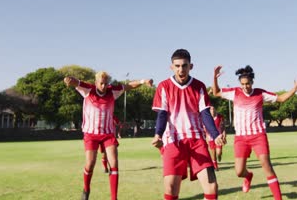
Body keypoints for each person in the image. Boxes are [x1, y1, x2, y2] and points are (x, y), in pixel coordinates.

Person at [212, 65, 297, 200]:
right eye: (243, 84)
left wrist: (294, 89)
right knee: (239, 172)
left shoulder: (260, 94)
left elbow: (281, 99)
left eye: (248, 83)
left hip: (258, 136)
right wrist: (214, 78)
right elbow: (216, 92)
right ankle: (248, 176)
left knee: (267, 166)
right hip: (241, 138)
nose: (245, 87)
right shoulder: (235, 93)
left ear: (252, 82)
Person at [64, 71, 153, 200]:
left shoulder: (112, 91)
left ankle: (114, 198)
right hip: (91, 134)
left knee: (114, 163)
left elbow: (128, 86)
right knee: (90, 163)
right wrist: (69, 79)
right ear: (96, 83)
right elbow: (75, 82)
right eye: (101, 83)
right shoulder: (88, 90)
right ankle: (86, 189)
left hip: (107, 134)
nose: (104, 86)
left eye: (106, 83)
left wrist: (142, 81)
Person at [151, 49, 225, 200]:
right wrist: (158, 134)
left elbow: (205, 113)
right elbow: (162, 114)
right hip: (173, 140)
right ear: (171, 67)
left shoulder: (199, 86)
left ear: (191, 66)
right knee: (171, 188)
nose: (181, 69)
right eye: (177, 66)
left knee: (212, 187)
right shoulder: (164, 86)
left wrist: (216, 135)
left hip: (197, 140)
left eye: (184, 65)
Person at [205, 106, 226, 171]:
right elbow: (205, 128)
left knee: (218, 152)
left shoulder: (220, 117)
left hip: (218, 136)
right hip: (211, 137)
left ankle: (219, 155)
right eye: (211, 109)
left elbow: (223, 126)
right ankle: (215, 165)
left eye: (214, 109)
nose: (212, 110)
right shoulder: (207, 118)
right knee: (213, 152)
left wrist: (224, 133)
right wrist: (207, 135)